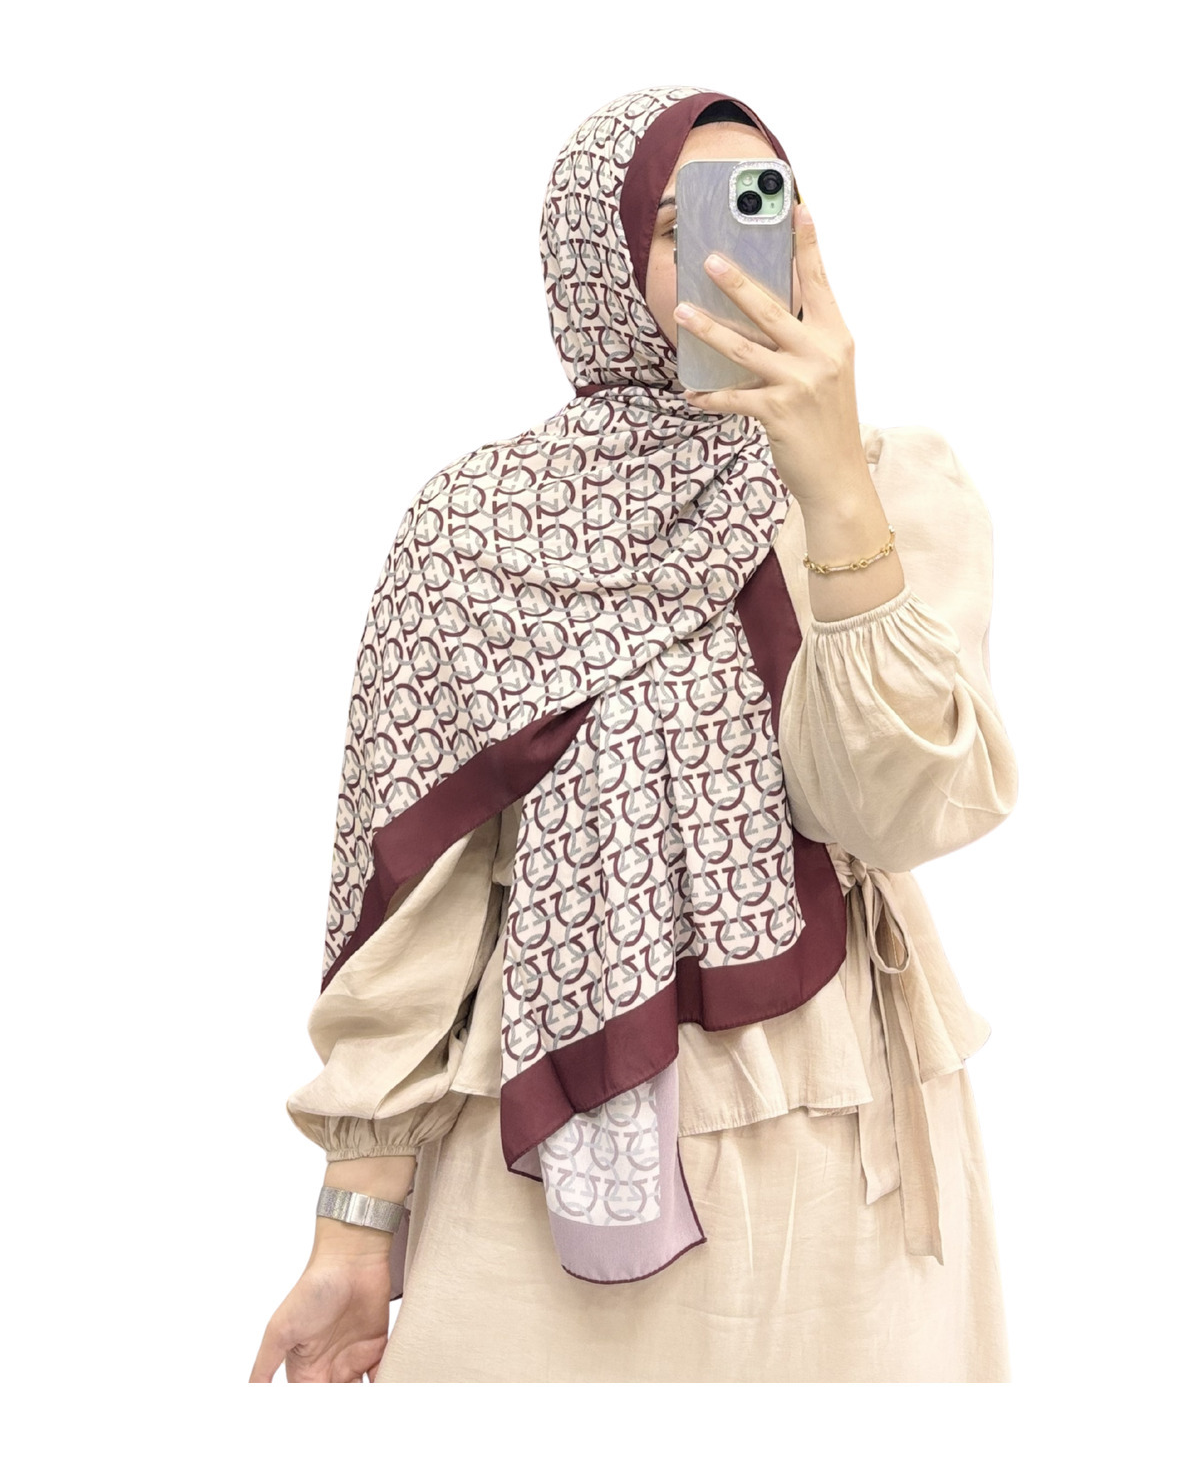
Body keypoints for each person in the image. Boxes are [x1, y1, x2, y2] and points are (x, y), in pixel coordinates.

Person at [250, 85, 1018, 1384]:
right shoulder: (477, 527)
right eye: (677, 224)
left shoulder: (894, 488)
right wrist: (352, 1229)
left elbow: (891, 814)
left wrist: (830, 479)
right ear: (594, 257)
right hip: (542, 1155)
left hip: (842, 1148)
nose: (729, 252)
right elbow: (412, 922)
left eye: (764, 207)